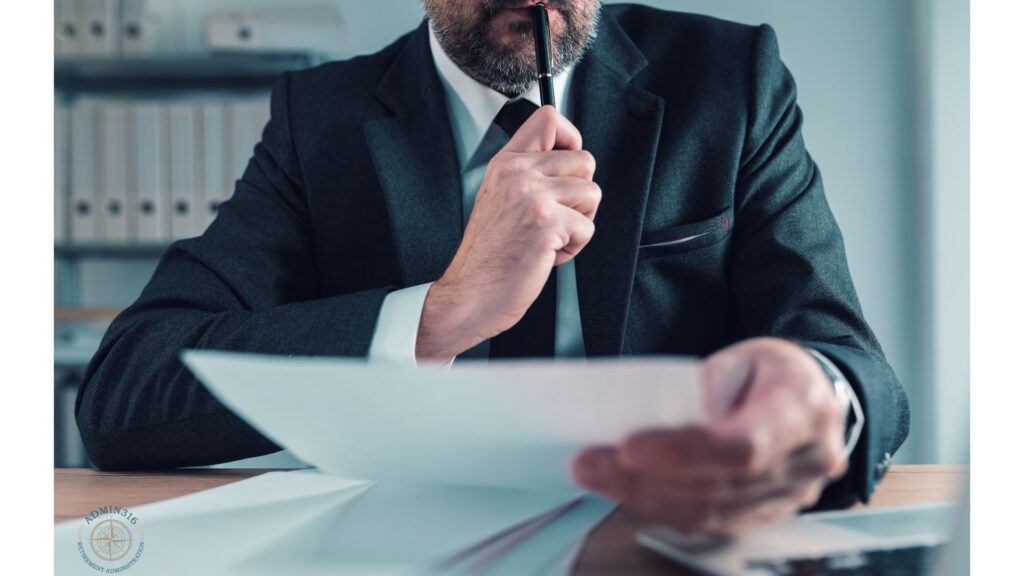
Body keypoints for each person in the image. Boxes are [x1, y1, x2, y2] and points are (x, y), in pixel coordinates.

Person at [76, 0, 909, 534]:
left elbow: (846, 359)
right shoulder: (320, 120)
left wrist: (818, 402)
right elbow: (126, 393)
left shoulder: (732, 78)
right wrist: (441, 312)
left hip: (674, 538)